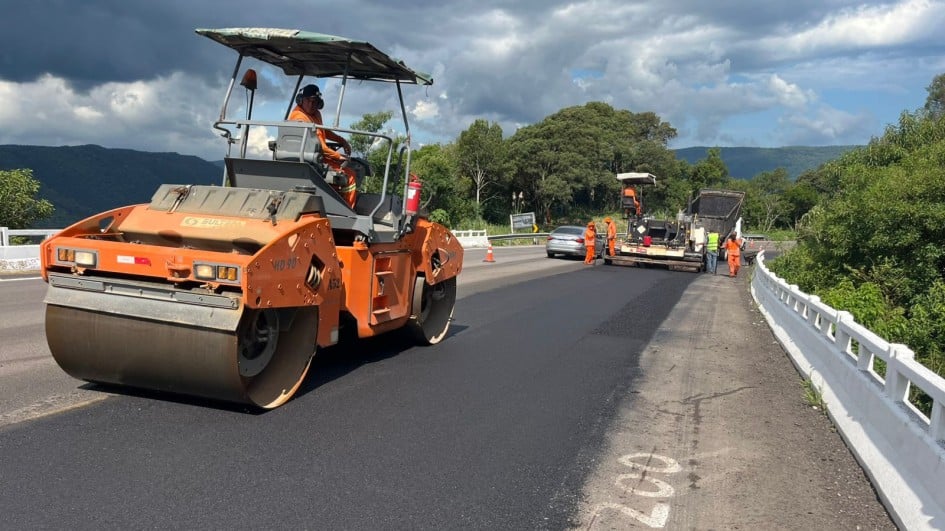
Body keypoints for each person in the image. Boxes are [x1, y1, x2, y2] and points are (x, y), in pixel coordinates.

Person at [288, 84, 358, 208]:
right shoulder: (299, 117)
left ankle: (335, 202)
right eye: (308, 100)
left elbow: (324, 131)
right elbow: (321, 147)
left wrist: (342, 141)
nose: (311, 104)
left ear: (319, 103)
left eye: (314, 101)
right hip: (310, 161)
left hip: (317, 157)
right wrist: (339, 157)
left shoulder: (316, 114)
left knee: (348, 169)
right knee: (350, 175)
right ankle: (348, 211)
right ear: (300, 100)